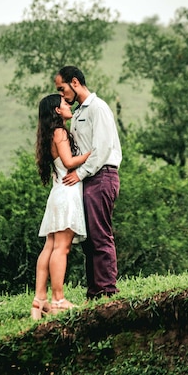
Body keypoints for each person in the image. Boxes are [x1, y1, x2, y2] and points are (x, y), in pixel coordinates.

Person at [55, 66, 122, 300]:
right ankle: (94, 291)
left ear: (74, 82)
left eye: (61, 88)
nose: (62, 95)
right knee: (89, 238)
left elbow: (102, 149)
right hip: (88, 179)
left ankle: (107, 291)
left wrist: (80, 174)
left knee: (100, 235)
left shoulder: (98, 108)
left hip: (101, 176)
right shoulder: (77, 115)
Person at [31, 93, 91, 320]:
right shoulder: (60, 132)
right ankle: (58, 299)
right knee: (61, 248)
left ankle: (40, 299)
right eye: (65, 103)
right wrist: (91, 153)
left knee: (50, 246)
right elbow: (69, 162)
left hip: (57, 193)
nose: (69, 105)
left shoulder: (48, 134)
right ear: (57, 110)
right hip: (67, 194)